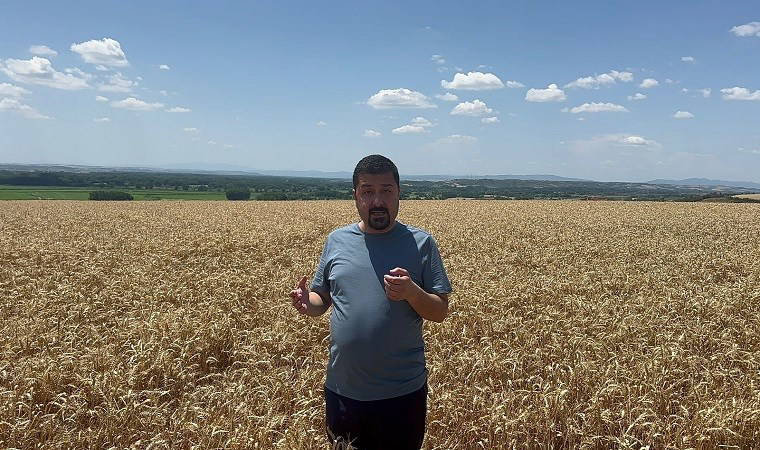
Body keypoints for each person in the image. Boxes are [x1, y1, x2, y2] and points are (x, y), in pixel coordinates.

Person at [290, 154, 452, 449]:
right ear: (355, 195)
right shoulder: (336, 241)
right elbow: (321, 298)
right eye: (367, 192)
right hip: (343, 390)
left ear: (399, 193)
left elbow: (440, 311)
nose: (377, 201)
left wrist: (412, 292)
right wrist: (307, 303)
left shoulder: (422, 243)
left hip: (402, 394)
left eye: (386, 191)